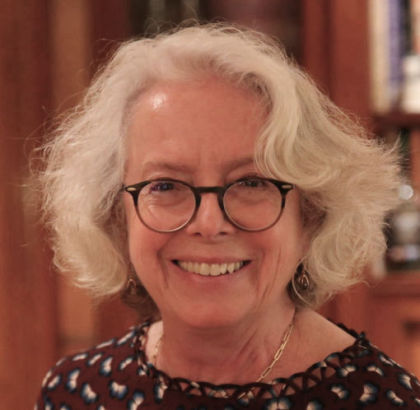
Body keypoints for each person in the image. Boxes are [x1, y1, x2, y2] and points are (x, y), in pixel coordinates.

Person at [35, 24, 420, 409]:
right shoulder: (73, 393)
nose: (208, 223)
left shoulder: (387, 402)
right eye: (165, 186)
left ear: (311, 216)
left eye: (251, 183)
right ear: (117, 218)